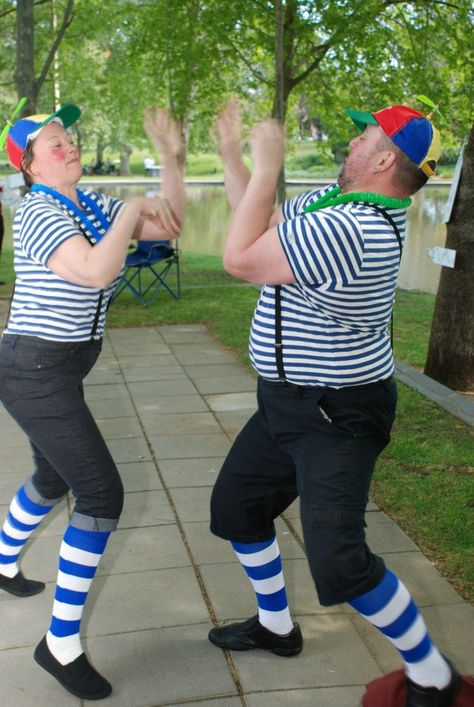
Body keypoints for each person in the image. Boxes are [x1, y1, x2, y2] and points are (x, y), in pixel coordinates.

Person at [208, 101, 471, 707]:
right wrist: (233, 158)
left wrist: (268, 163)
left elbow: (239, 257)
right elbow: (265, 223)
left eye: (364, 136)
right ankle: (277, 626)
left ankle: (434, 676)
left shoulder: (353, 229)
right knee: (238, 510)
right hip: (286, 402)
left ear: (383, 159)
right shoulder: (332, 206)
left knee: (342, 562)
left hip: (337, 415)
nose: (351, 140)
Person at [0, 103, 185, 700]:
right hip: (35, 369)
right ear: (28, 165)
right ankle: (59, 644)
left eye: (69, 136)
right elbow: (95, 271)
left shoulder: (87, 202)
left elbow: (171, 225)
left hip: (60, 367)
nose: (69, 144)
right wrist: (132, 208)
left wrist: (173, 161)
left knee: (53, 479)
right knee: (102, 491)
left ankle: (1, 563)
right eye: (53, 142)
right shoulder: (37, 211)